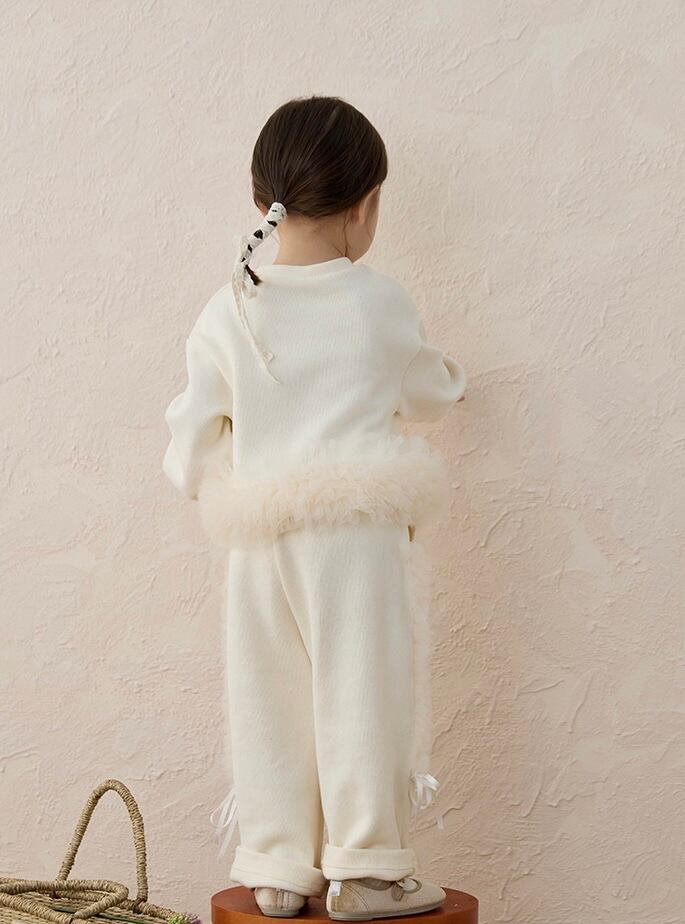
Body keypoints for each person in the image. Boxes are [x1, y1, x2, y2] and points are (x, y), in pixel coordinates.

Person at [162, 95, 467, 920]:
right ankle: (367, 867)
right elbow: (429, 389)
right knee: (362, 688)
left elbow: (190, 437)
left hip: (261, 537)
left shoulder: (229, 307)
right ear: (365, 205)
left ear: (262, 196)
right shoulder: (377, 302)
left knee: (267, 695)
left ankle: (277, 866)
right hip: (355, 538)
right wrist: (452, 380)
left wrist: (205, 472)